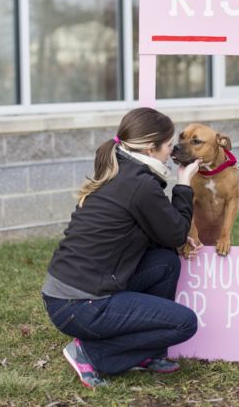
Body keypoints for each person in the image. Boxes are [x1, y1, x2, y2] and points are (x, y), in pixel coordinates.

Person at [42, 107, 202, 388]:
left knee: (165, 263)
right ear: (151, 149)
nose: (171, 151)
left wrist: (172, 235)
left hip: (66, 295)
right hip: (80, 305)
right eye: (167, 145)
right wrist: (184, 183)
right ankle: (90, 353)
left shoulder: (121, 169)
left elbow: (150, 233)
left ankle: (147, 355)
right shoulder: (140, 184)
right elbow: (176, 232)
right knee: (183, 324)